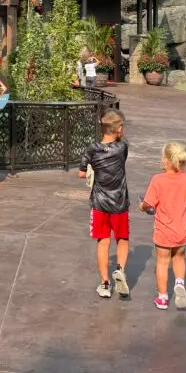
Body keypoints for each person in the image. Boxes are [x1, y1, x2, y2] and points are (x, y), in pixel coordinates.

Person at [78, 108, 130, 298]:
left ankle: (105, 283)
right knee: (122, 239)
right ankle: (120, 270)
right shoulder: (122, 148)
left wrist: (89, 169)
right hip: (119, 201)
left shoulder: (91, 149)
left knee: (103, 241)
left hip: (100, 202)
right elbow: (121, 157)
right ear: (119, 129)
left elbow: (81, 172)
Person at [140, 142, 186, 310]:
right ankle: (179, 282)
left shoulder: (158, 180)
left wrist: (142, 207)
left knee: (162, 262)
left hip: (164, 230)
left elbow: (149, 203)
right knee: (179, 258)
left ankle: (162, 298)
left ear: (167, 160)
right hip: (181, 230)